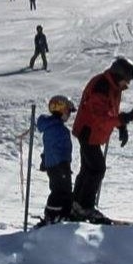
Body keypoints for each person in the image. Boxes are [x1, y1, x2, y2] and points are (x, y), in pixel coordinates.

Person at [71, 57, 133, 221]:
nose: (127, 85)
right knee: (97, 168)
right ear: (119, 76)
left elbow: (109, 112)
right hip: (89, 131)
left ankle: (76, 204)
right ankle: (85, 207)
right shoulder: (102, 87)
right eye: (126, 81)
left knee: (88, 169)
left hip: (92, 132)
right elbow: (100, 118)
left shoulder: (112, 87)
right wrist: (127, 117)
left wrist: (121, 126)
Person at [37, 95, 76, 225]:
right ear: (62, 110)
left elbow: (49, 147)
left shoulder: (52, 128)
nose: (69, 115)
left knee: (62, 190)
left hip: (56, 165)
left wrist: (45, 159)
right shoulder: (58, 129)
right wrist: (62, 164)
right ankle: (53, 215)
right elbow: (55, 148)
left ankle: (62, 214)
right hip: (59, 165)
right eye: (68, 112)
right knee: (61, 191)